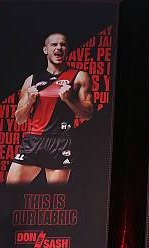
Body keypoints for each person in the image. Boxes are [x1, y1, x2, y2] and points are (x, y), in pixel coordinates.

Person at [8, 32, 93, 185]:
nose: (59, 48)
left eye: (63, 44)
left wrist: (69, 99)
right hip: (33, 141)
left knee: (56, 196)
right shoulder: (31, 80)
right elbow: (19, 119)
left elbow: (87, 114)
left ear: (67, 49)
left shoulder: (79, 76)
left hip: (60, 142)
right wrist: (29, 101)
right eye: (54, 44)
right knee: (11, 193)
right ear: (45, 49)